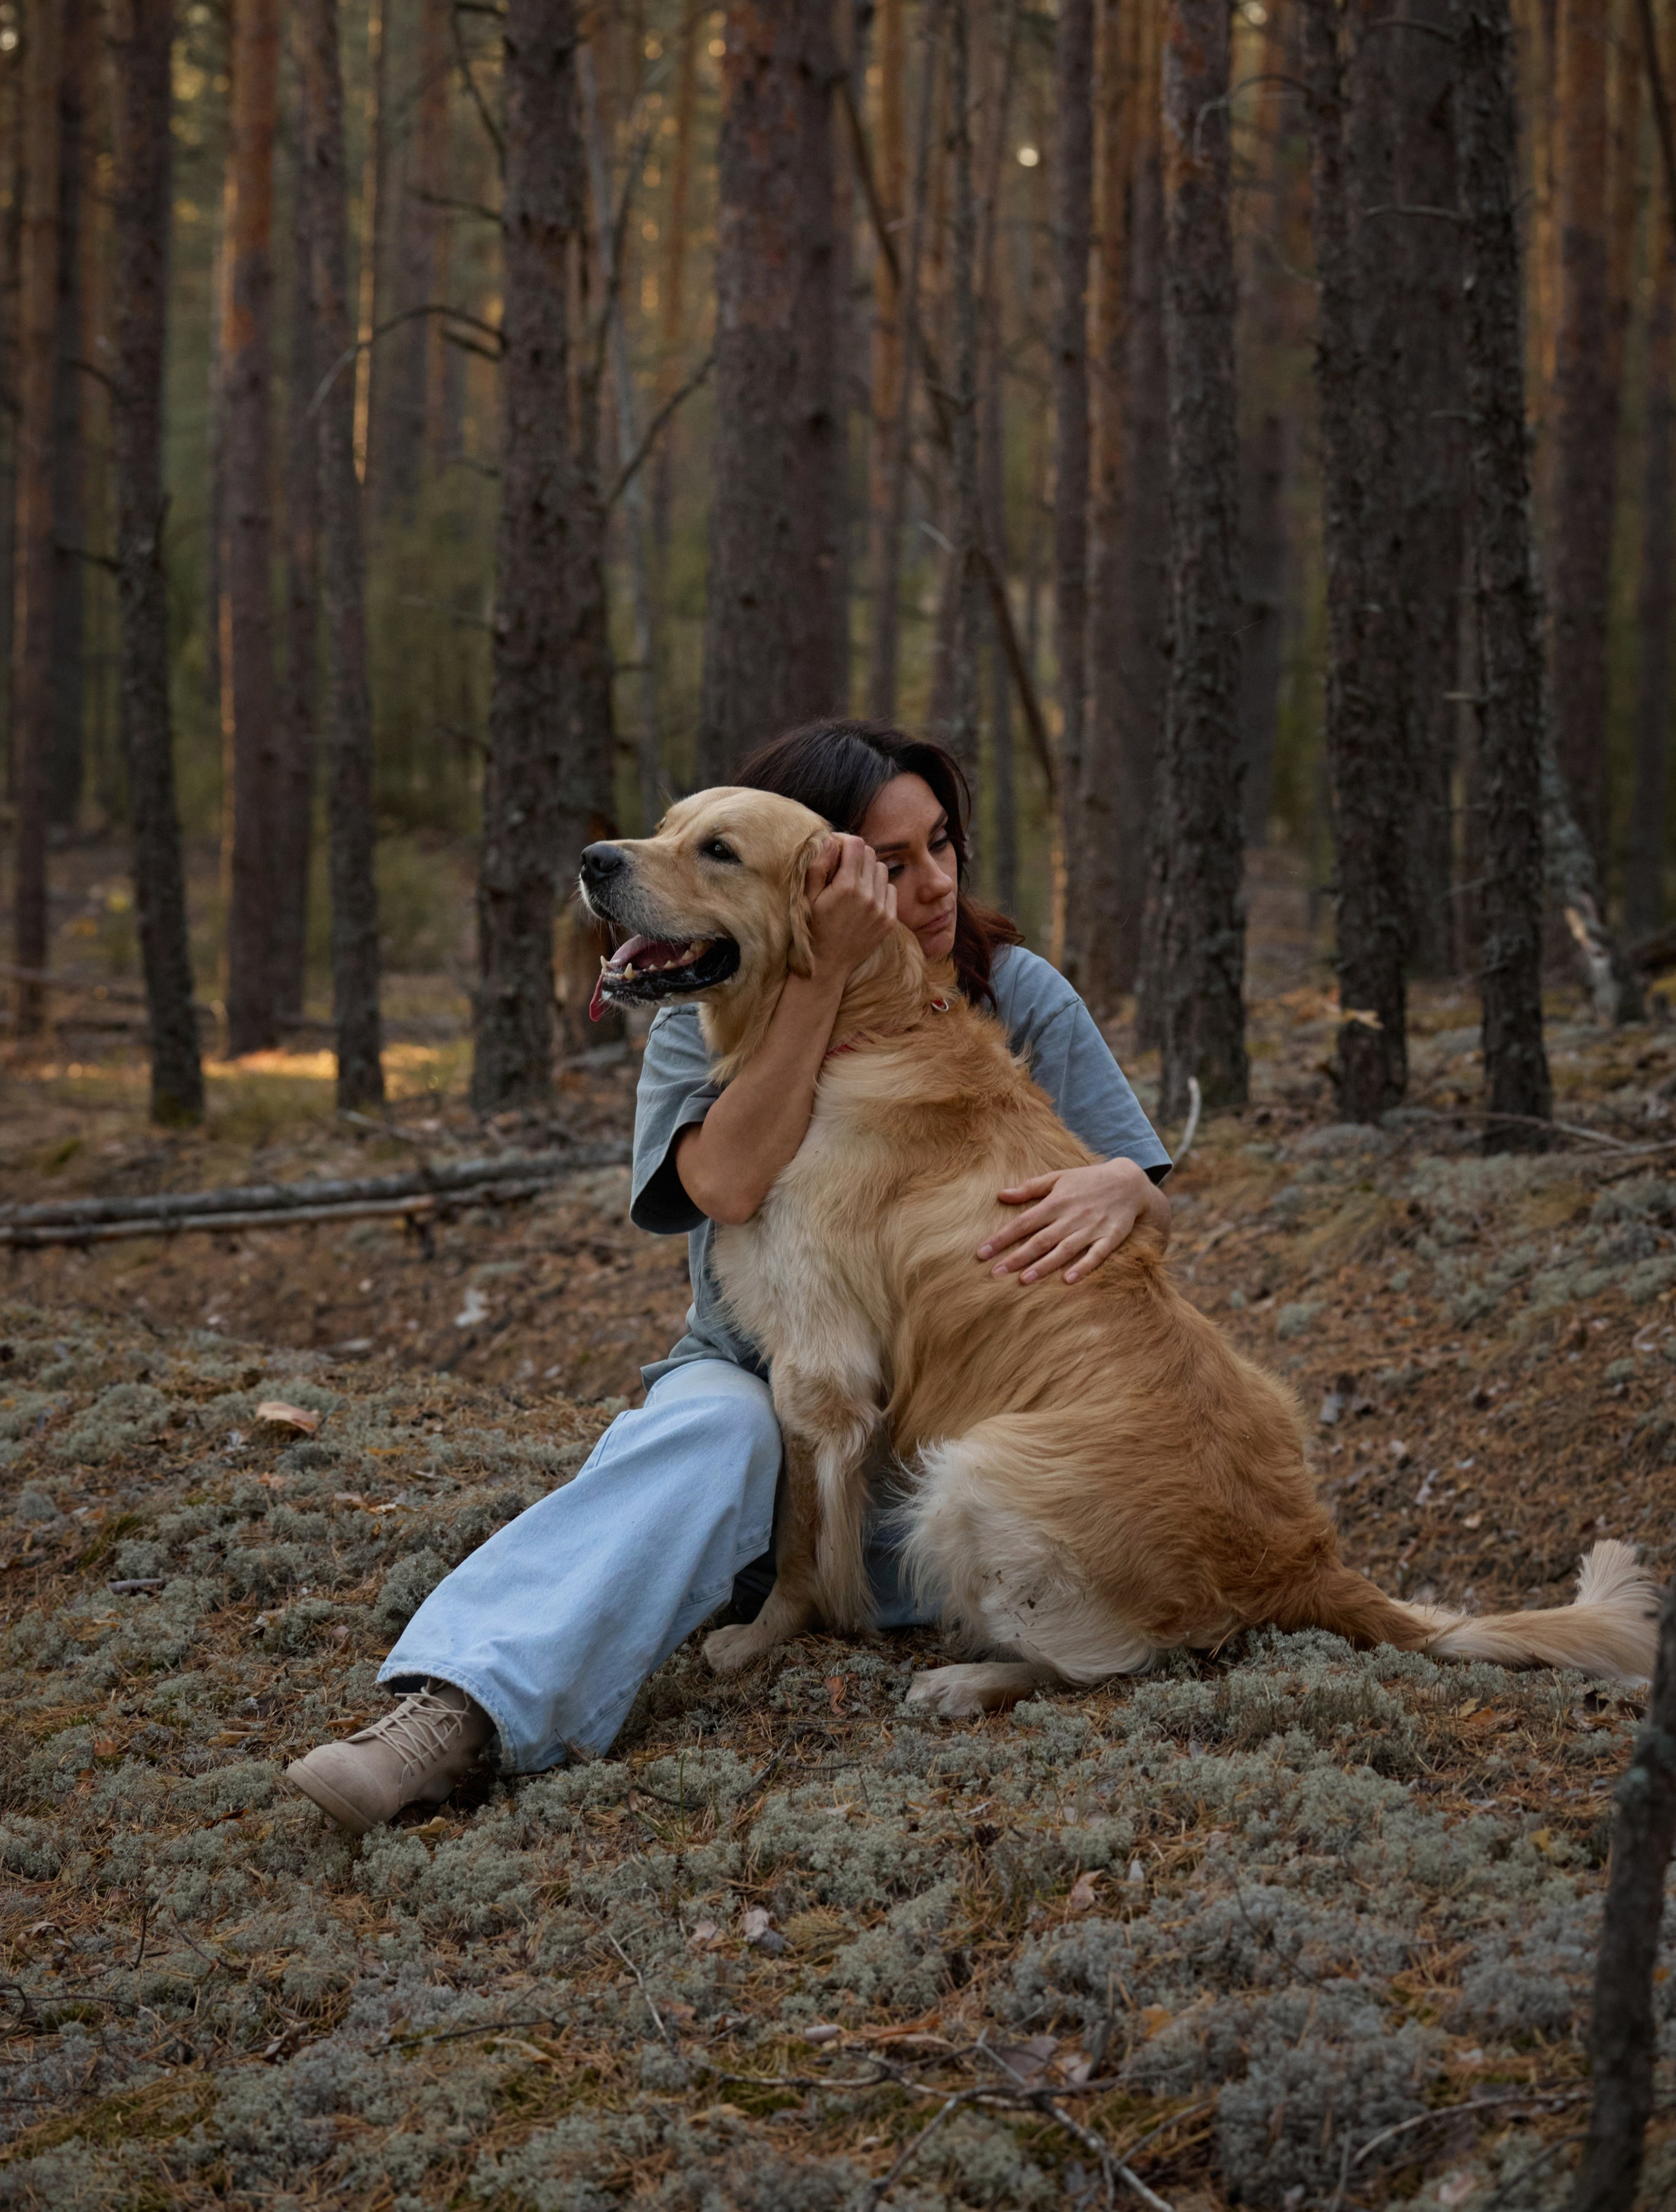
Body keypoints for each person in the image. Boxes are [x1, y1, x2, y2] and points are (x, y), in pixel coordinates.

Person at [285, 720, 1171, 1833]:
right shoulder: (698, 1004)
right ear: (825, 885)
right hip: (756, 1394)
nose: (934, 884)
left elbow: (1133, 1209)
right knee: (714, 1431)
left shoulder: (1014, 989)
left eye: (943, 845)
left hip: (954, 1439)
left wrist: (1135, 1187)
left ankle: (928, 1604)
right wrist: (821, 969)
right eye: (889, 865)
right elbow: (731, 1184)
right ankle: (456, 1710)